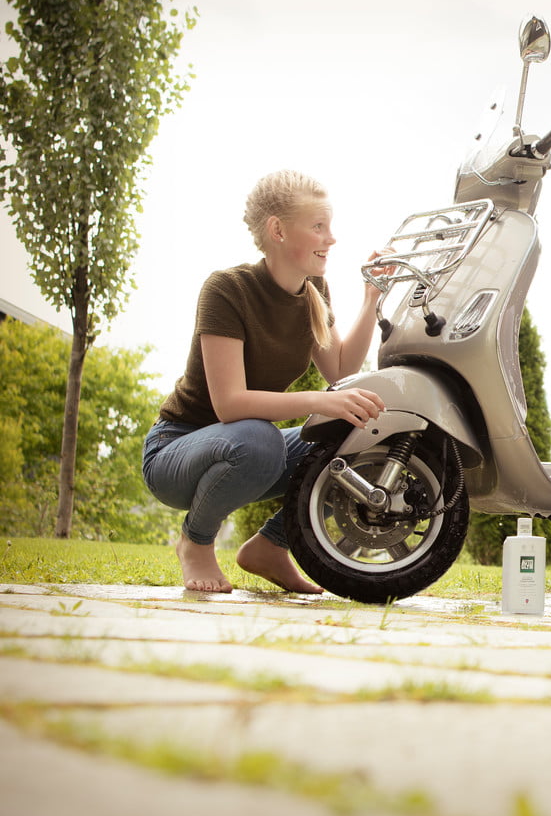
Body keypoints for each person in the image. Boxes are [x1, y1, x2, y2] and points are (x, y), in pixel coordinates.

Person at [142, 170, 391, 594]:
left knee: (364, 430)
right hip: (175, 452)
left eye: (329, 226)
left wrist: (371, 298)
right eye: (318, 226)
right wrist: (319, 401)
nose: (331, 238)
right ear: (277, 230)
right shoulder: (226, 289)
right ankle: (195, 541)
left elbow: (341, 369)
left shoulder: (314, 290)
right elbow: (230, 405)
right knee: (262, 439)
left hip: (250, 450)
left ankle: (272, 546)